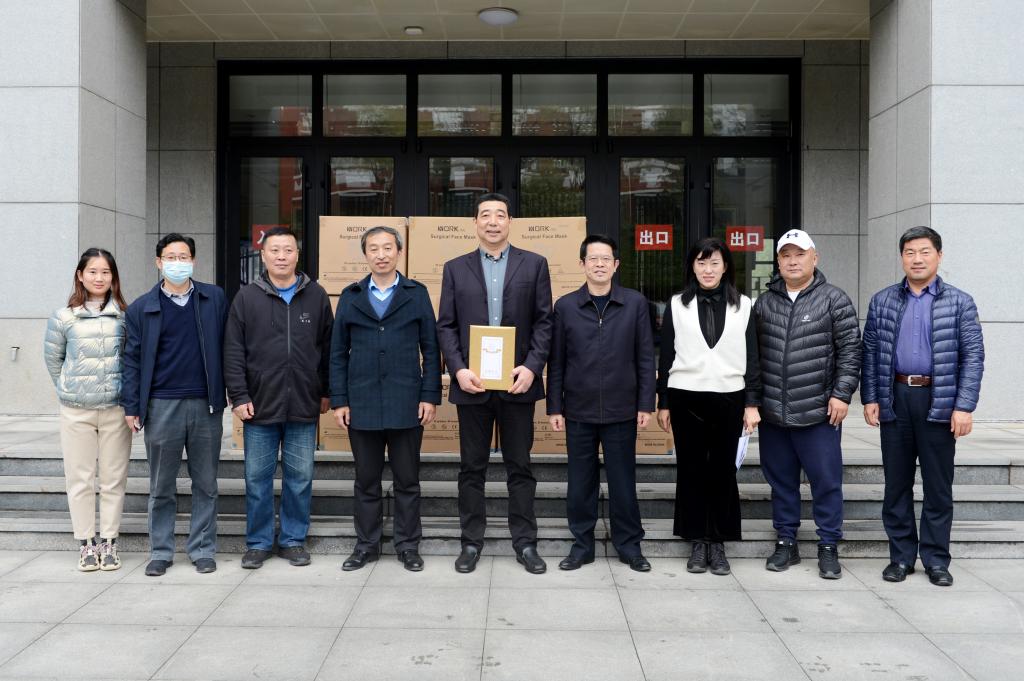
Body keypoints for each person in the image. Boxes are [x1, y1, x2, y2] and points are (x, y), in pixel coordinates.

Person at [437, 192, 552, 574]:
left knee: (520, 467)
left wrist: (532, 368)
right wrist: (458, 370)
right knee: (472, 469)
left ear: (509, 222)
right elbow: (446, 325)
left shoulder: (534, 264)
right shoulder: (455, 268)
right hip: (472, 384)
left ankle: (526, 543)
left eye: (499, 215)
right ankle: (471, 543)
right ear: (474, 223)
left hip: (518, 382)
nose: (492, 221)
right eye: (485, 215)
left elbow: (544, 322)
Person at [862, 226, 984, 587]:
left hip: (940, 401)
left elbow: (973, 357)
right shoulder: (882, 300)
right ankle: (901, 557)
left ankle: (936, 559)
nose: (917, 259)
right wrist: (870, 397)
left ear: (939, 256)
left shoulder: (960, 302)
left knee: (938, 486)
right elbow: (870, 352)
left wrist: (964, 406)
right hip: (896, 397)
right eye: (910, 252)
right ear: (902, 257)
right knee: (896, 484)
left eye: (925, 252)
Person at [330, 225, 441, 572]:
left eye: (388, 248)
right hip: (361, 402)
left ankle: (408, 546)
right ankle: (366, 545)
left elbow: (432, 349)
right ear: (365, 255)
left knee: (407, 480)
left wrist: (429, 396)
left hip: (407, 401)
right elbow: (337, 353)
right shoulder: (350, 296)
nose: (381, 254)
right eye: (374, 249)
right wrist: (339, 400)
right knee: (366, 480)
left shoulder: (416, 293)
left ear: (399, 252)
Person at [751, 229, 861, 579]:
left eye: (800, 254)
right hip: (774, 413)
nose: (793, 261)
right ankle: (786, 541)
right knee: (781, 482)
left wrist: (842, 394)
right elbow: (753, 357)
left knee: (826, 482)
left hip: (818, 412)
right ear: (778, 261)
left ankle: (828, 545)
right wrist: (753, 402)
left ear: (815, 258)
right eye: (786, 255)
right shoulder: (764, 303)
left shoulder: (833, 299)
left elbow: (851, 351)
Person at [224, 227, 333, 570]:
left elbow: (328, 347)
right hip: (259, 404)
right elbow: (233, 351)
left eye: (288, 250)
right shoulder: (247, 297)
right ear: (264, 255)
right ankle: (258, 542)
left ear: (297, 255)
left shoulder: (316, 295)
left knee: (300, 478)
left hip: (303, 402)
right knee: (257, 479)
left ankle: (292, 540)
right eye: (275, 250)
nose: (282, 256)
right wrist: (238, 395)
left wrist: (326, 390)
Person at [121, 233, 228, 577]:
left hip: (205, 404)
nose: (177, 263)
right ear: (158, 262)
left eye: (183, 257)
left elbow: (229, 346)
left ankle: (203, 549)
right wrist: (132, 406)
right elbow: (131, 360)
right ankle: (161, 551)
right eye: (170, 257)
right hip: (160, 405)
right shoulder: (141, 308)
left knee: (206, 484)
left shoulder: (214, 298)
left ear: (193, 261)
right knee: (161, 485)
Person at [548, 235, 655, 573]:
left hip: (622, 409)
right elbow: (557, 361)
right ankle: (582, 546)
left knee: (623, 483)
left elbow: (645, 357)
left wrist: (645, 403)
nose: (599, 264)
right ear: (582, 264)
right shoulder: (566, 307)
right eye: (592, 259)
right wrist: (554, 407)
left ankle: (630, 546)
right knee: (580, 483)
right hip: (578, 410)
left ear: (616, 265)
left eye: (605, 259)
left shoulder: (635, 304)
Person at [656, 237, 762, 576]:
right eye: (701, 263)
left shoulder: (744, 305)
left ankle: (718, 542)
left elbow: (753, 357)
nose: (708, 269)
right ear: (692, 266)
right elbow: (666, 356)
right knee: (691, 469)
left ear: (725, 266)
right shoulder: (676, 305)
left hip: (730, 395)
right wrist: (663, 402)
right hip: (685, 395)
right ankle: (697, 541)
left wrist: (752, 403)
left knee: (722, 470)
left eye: (714, 262)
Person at [44, 248, 133, 571]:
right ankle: (86, 544)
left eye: (106, 272)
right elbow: (54, 361)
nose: (99, 278)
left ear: (114, 277)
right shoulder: (63, 317)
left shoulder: (125, 316)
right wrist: (69, 389)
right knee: (80, 479)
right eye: (93, 271)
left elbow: (131, 360)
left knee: (113, 479)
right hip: (76, 411)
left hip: (115, 409)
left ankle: (109, 542)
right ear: (80, 276)